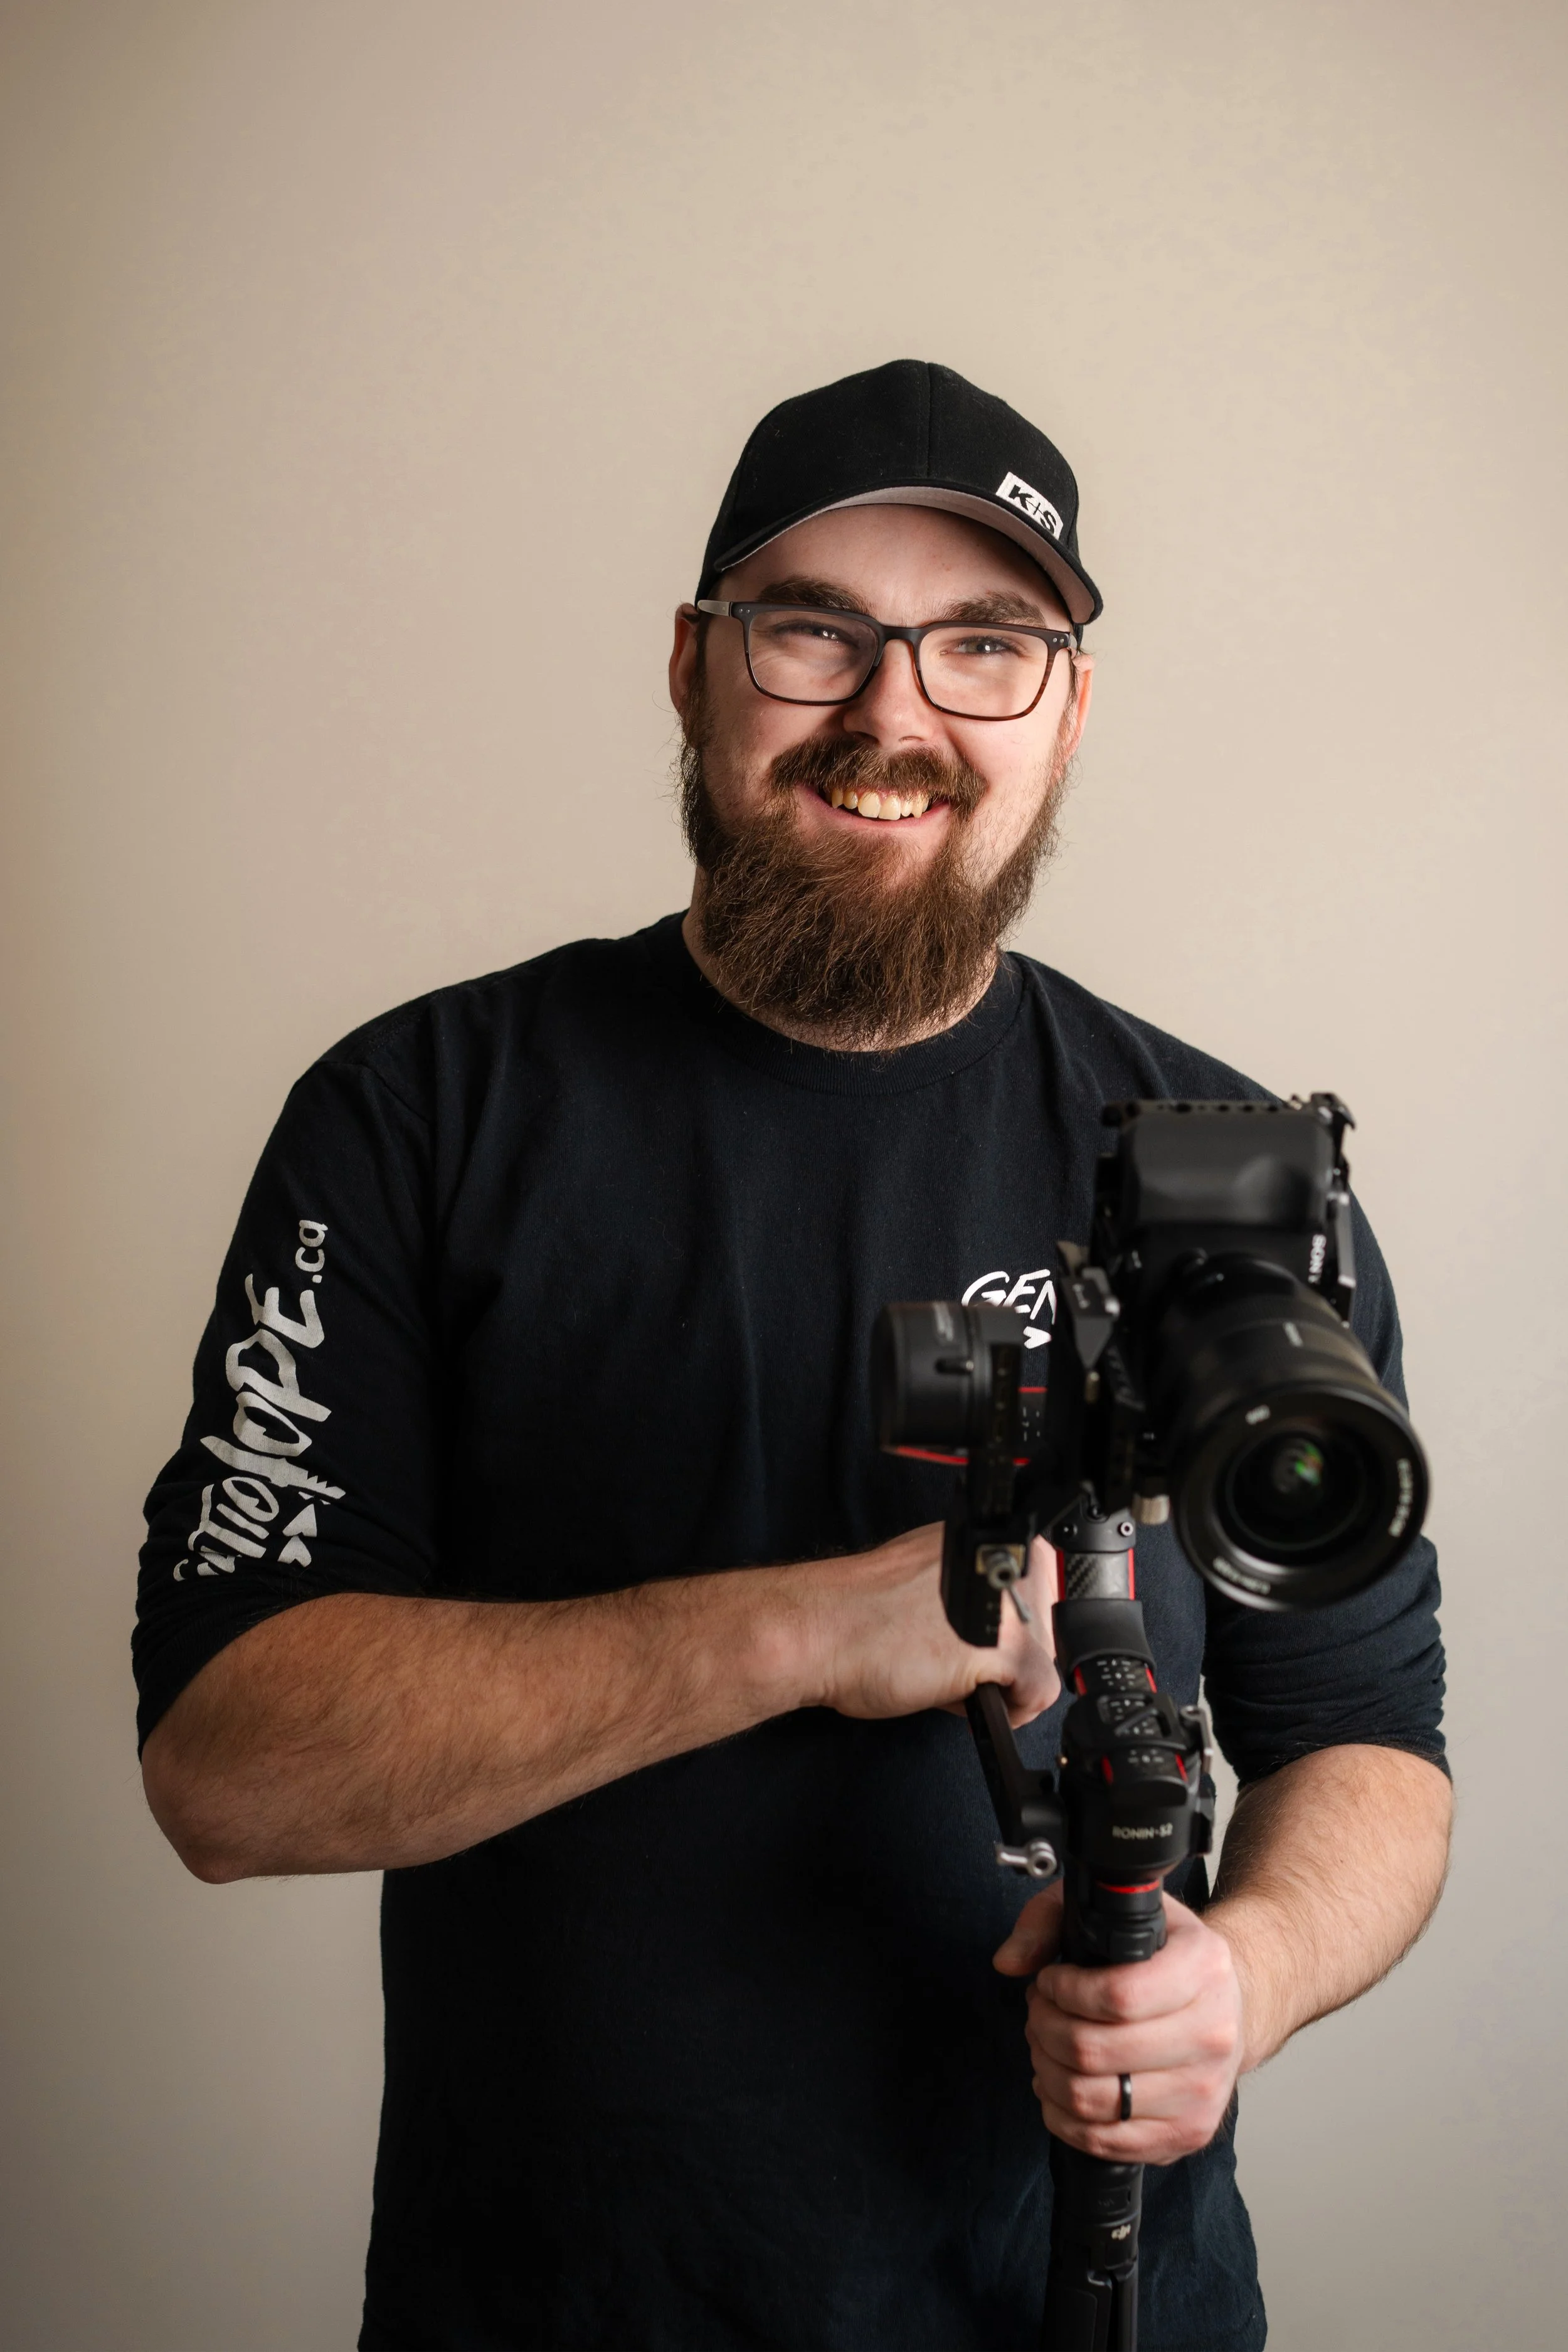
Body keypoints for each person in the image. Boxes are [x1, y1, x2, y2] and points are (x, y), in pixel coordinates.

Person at [136, 360, 1449, 2352]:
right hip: (560, 2303)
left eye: (984, 644)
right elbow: (227, 1766)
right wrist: (806, 1629)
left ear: (1068, 709)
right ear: (693, 666)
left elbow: (1368, 1734)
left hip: (1082, 2297)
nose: (892, 714)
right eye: (816, 627)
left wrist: (1239, 1980)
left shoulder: (1224, 1182)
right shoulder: (423, 1115)